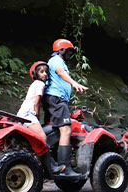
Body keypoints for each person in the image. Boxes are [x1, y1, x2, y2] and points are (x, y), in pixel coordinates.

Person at [44, 38, 88, 176]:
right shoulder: (56, 60)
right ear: (61, 50)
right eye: (68, 51)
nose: (70, 53)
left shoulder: (60, 61)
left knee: (55, 129)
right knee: (66, 130)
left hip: (55, 99)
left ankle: (52, 162)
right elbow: (61, 73)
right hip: (57, 99)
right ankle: (65, 168)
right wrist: (74, 83)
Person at [17, 61, 49, 138]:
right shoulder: (40, 84)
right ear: (36, 74)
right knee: (42, 137)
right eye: (41, 72)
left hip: (22, 112)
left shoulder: (35, 83)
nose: (45, 74)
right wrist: (37, 117)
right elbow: (36, 103)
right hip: (29, 114)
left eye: (46, 72)